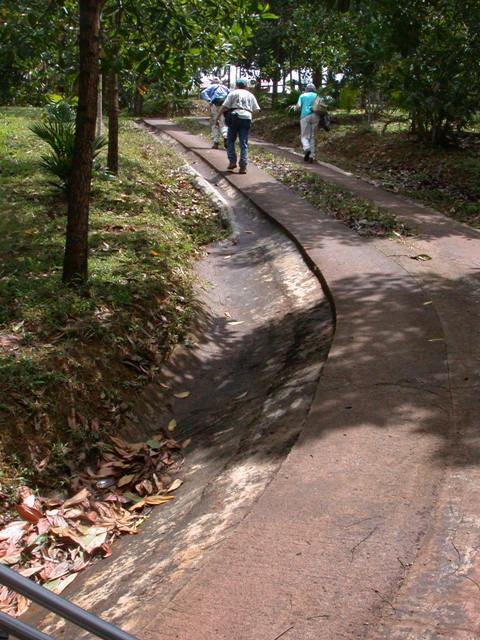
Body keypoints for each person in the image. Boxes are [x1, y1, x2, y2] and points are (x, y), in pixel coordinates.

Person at [215, 78, 260, 174]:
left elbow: (224, 106)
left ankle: (232, 162)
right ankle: (243, 166)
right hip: (247, 118)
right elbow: (257, 110)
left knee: (230, 140)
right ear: (246, 86)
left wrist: (217, 118)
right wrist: (249, 115)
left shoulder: (233, 93)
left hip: (235, 117)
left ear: (236, 85)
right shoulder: (250, 95)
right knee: (243, 143)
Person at [200, 77, 230, 149]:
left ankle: (215, 142)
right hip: (224, 105)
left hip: (214, 105)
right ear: (220, 82)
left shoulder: (212, 86)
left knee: (215, 122)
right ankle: (225, 136)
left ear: (213, 82)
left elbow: (203, 92)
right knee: (223, 122)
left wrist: (209, 100)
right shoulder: (225, 87)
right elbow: (230, 95)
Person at [294, 83, 320, 163]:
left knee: (304, 136)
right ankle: (312, 156)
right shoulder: (317, 96)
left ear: (306, 89)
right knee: (312, 136)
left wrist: (295, 109)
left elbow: (298, 107)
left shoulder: (302, 96)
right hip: (316, 116)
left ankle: (307, 148)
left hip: (305, 116)